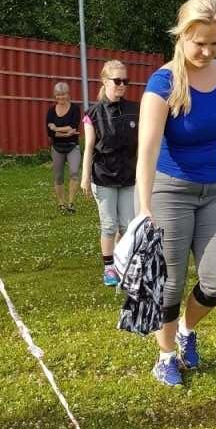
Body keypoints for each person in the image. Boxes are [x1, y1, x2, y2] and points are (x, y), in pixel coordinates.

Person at [136, 0, 216, 386]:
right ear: (182, 36)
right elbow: (147, 150)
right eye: (199, 43)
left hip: (214, 191)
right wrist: (144, 206)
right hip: (169, 192)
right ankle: (165, 356)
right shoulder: (163, 83)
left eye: (214, 43)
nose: (207, 51)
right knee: (170, 283)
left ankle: (186, 330)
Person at [81, 60, 139, 286]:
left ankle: (122, 262)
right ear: (105, 82)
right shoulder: (93, 114)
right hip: (104, 176)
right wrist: (85, 177)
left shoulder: (135, 110)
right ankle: (109, 268)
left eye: (126, 81)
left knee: (127, 226)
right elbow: (89, 147)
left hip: (129, 176)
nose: (122, 85)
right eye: (117, 81)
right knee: (109, 225)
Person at [46, 82, 81, 213]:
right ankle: (61, 203)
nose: (61, 97)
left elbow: (73, 127)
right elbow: (50, 133)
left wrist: (56, 128)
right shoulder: (51, 111)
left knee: (74, 172)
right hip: (57, 147)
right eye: (58, 95)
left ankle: (71, 203)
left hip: (73, 146)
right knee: (58, 176)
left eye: (63, 94)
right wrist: (65, 132)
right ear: (55, 96)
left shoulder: (75, 109)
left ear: (68, 94)